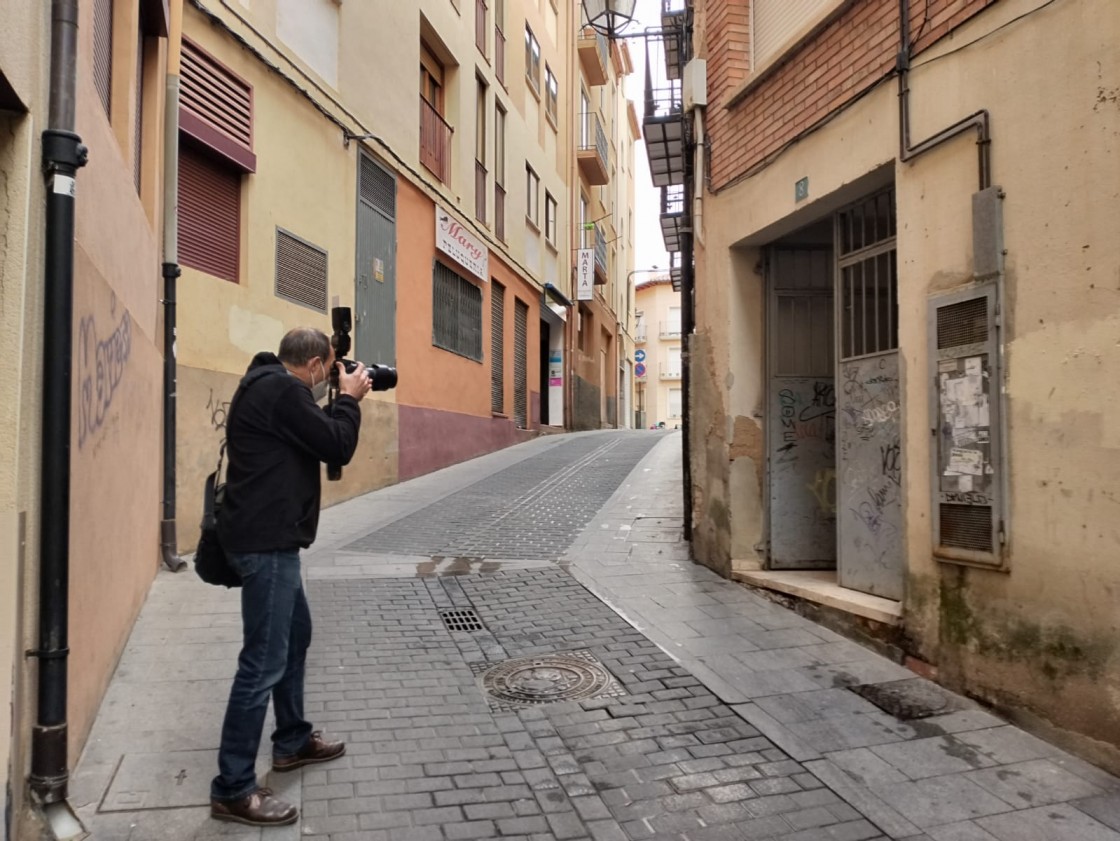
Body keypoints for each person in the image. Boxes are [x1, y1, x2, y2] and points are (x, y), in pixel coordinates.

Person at [209, 327, 371, 827]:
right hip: (267, 543)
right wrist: (349, 400)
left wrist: (333, 402)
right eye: (331, 372)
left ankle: (292, 740)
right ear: (319, 366)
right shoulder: (284, 390)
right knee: (263, 661)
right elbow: (337, 445)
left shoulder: (265, 384)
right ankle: (233, 788)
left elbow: (308, 438)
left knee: (295, 637)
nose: (332, 380)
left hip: (265, 538)